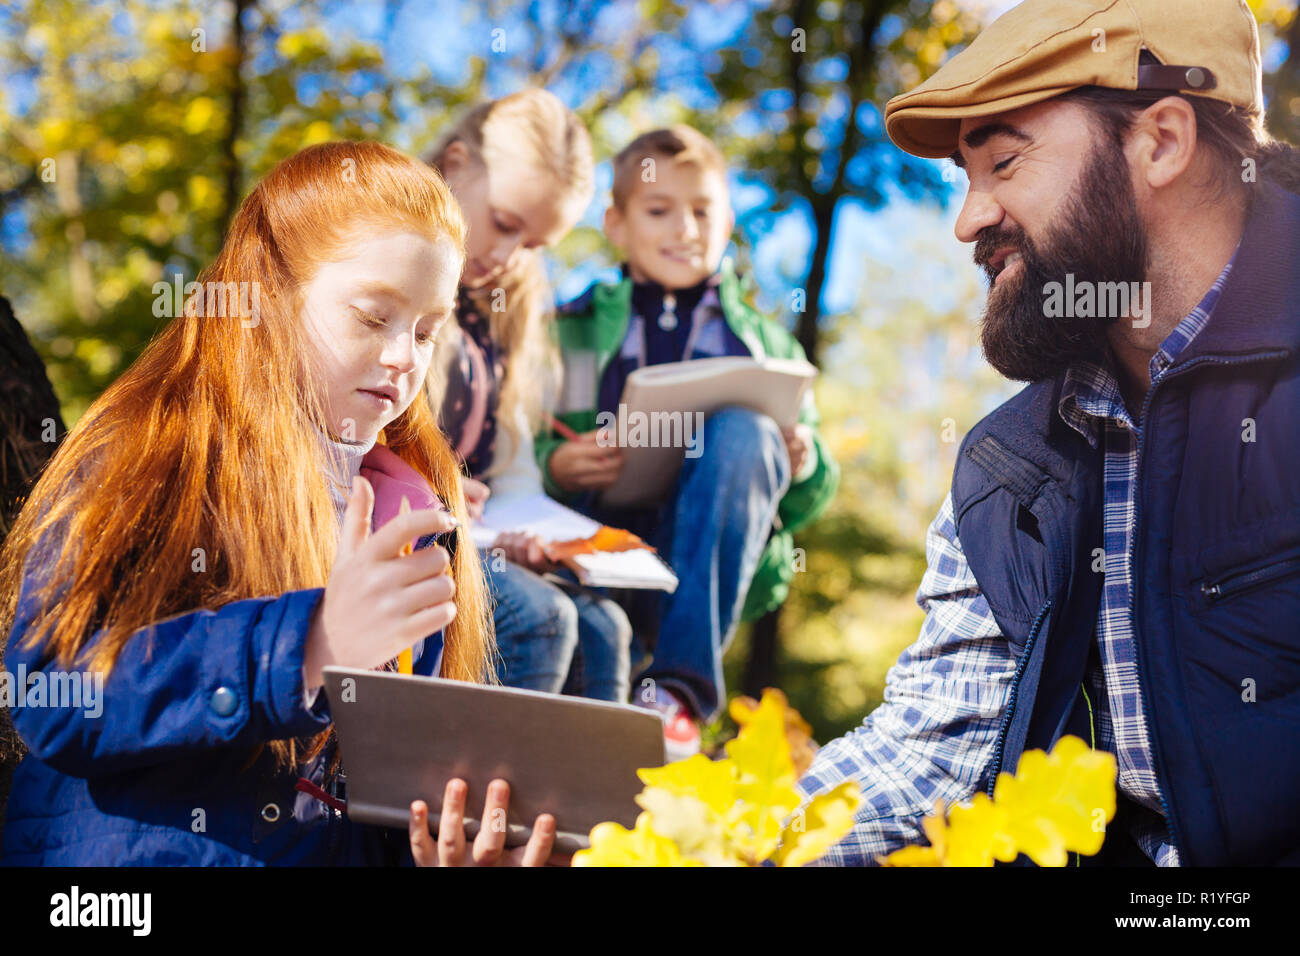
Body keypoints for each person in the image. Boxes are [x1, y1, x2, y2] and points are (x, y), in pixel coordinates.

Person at [796, 0, 1300, 866]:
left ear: (1162, 142)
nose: (968, 220)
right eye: (965, 177)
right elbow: (925, 756)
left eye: (1004, 162)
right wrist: (678, 845)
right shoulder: (1012, 469)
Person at [0, 141, 555, 866]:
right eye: (370, 316)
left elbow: (370, 795)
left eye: (426, 332)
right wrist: (311, 643)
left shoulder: (418, 515)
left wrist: (447, 846)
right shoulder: (156, 457)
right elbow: (56, 695)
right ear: (267, 299)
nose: (403, 357)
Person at [537, 126, 839, 758]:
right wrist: (559, 463)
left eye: (703, 211)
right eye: (659, 210)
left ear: (727, 222)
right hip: (595, 544)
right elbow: (524, 445)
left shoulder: (765, 343)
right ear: (617, 224)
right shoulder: (577, 330)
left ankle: (677, 692)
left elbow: (808, 495)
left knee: (748, 431)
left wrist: (802, 466)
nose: (685, 229)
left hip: (699, 566)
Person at [427, 90, 633, 704]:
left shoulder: (507, 309)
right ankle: (469, 797)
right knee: (540, 617)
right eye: (505, 224)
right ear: (456, 164)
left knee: (605, 626)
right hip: (391, 529)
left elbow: (510, 474)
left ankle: (594, 804)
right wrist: (434, 486)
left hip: (469, 537)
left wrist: (525, 533)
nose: (507, 256)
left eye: (534, 245)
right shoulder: (392, 276)